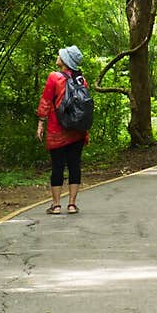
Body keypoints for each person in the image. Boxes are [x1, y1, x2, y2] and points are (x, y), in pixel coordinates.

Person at [36, 45, 89, 215]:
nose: (58, 56)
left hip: (57, 129)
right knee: (75, 165)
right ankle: (72, 205)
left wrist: (40, 123)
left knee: (57, 167)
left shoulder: (54, 77)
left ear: (65, 61)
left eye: (61, 55)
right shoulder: (81, 79)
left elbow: (45, 101)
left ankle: (56, 205)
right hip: (77, 131)